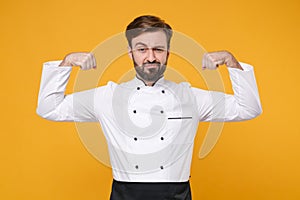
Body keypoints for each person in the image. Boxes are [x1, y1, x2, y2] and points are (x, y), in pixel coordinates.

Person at [36, 15, 262, 200]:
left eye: (158, 50)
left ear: (168, 53)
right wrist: (67, 62)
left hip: (177, 194)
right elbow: (49, 108)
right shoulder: (107, 96)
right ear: (131, 53)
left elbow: (248, 108)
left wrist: (231, 62)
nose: (150, 57)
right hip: (125, 194)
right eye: (142, 49)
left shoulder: (190, 96)